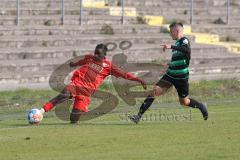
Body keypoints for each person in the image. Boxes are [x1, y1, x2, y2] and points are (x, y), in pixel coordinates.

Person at [39, 43, 147, 123]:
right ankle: (41, 111)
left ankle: (81, 109)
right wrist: (73, 64)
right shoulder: (89, 58)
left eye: (98, 54)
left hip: (86, 93)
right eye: (95, 52)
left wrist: (138, 80)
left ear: (104, 54)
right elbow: (81, 61)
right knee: (63, 95)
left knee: (73, 119)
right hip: (76, 84)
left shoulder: (108, 66)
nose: (95, 55)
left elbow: (124, 74)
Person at [129, 22, 208, 124]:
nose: (170, 34)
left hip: (181, 77)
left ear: (177, 30)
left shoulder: (184, 40)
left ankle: (201, 106)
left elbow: (187, 51)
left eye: (171, 32)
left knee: (184, 102)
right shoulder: (177, 44)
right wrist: (170, 64)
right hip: (170, 75)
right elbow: (179, 59)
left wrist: (171, 46)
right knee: (154, 92)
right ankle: (138, 116)